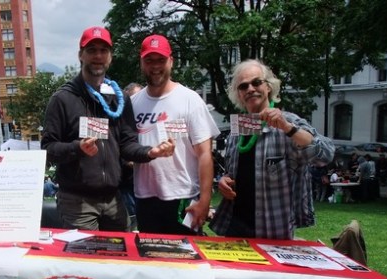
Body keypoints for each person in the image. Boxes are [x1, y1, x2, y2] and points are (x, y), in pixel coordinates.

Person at [41, 26, 175, 231]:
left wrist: (150, 152)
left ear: (110, 57)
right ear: (81, 55)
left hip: (113, 199)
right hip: (77, 201)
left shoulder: (119, 98)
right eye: (92, 50)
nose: (98, 56)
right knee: (86, 251)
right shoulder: (63, 99)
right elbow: (47, 149)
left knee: (121, 249)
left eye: (103, 50)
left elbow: (127, 145)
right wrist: (77, 148)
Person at [209, 59, 335, 240]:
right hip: (234, 227)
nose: (250, 89)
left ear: (268, 87)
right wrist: (224, 180)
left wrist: (288, 128)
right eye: (243, 86)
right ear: (239, 94)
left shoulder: (289, 121)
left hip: (273, 230)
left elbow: (326, 154)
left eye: (256, 82)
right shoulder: (239, 127)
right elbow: (236, 171)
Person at [131, 34, 219, 235]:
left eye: (161, 60)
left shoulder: (190, 100)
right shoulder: (134, 103)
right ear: (141, 63)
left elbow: (205, 154)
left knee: (186, 254)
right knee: (149, 253)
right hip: (145, 198)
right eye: (149, 60)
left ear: (171, 61)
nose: (155, 66)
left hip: (183, 197)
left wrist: (205, 200)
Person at [120, 82, 143, 231]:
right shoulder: (120, 119)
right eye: (133, 98)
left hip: (145, 185)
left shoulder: (145, 119)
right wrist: (128, 162)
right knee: (131, 226)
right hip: (126, 185)